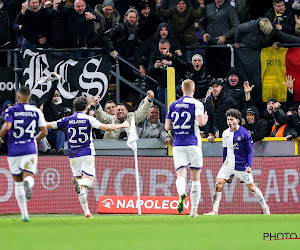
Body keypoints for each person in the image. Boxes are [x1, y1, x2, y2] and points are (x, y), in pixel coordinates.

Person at [47, 96, 129, 218]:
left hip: (73, 155)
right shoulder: (89, 119)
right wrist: (122, 125)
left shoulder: (67, 119)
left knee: (81, 188)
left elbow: (49, 125)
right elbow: (106, 127)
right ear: (86, 107)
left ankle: (87, 212)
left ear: (74, 107)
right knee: (89, 183)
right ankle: (80, 183)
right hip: (86, 153)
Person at [203, 108, 270, 215]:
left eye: (232, 119)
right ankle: (215, 210)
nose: (229, 121)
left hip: (241, 165)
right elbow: (225, 150)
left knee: (252, 188)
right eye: (228, 119)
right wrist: (224, 164)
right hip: (228, 165)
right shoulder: (225, 133)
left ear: (238, 120)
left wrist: (249, 165)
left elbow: (250, 151)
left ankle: (265, 207)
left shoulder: (245, 133)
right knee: (218, 185)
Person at [0, 86, 48, 222]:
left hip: (14, 150)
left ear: (18, 97)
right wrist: (34, 139)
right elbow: (44, 132)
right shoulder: (36, 111)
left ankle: (24, 214)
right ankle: (29, 182)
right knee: (29, 176)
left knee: (18, 182)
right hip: (30, 149)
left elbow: (7, 127)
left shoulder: (11, 110)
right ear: (30, 97)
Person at [165, 79, 208, 218]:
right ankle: (193, 211)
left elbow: (167, 126)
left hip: (178, 144)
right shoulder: (197, 104)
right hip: (193, 143)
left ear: (182, 90)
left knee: (180, 175)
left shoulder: (173, 105)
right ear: (194, 90)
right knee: (196, 177)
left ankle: (181, 193)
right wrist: (205, 119)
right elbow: (201, 123)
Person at [147, 38, 187, 121]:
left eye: (164, 48)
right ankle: (165, 127)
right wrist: (155, 66)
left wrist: (170, 63)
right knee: (162, 108)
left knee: (176, 107)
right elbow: (149, 71)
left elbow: (184, 66)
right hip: (161, 86)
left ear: (169, 46)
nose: (162, 51)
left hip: (174, 85)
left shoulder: (174, 54)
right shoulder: (155, 55)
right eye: (161, 48)